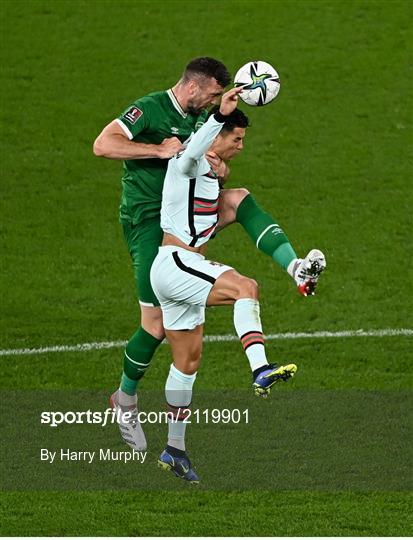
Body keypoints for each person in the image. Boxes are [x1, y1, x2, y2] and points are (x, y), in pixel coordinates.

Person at [93, 57, 324, 454]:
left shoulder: (199, 117)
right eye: (215, 94)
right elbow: (103, 144)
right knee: (155, 325)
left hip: (185, 213)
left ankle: (295, 266)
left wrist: (217, 172)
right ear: (196, 86)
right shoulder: (150, 109)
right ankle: (124, 399)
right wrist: (159, 150)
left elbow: (202, 154)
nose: (215, 101)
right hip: (149, 221)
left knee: (238, 200)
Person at [150, 87, 326, 483]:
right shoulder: (187, 161)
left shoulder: (211, 173)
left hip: (177, 268)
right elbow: (193, 151)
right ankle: (260, 370)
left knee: (187, 363)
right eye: (237, 138)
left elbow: (231, 199)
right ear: (216, 136)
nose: (242, 146)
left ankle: (174, 449)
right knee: (245, 287)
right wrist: (218, 114)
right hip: (177, 262)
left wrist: (219, 166)